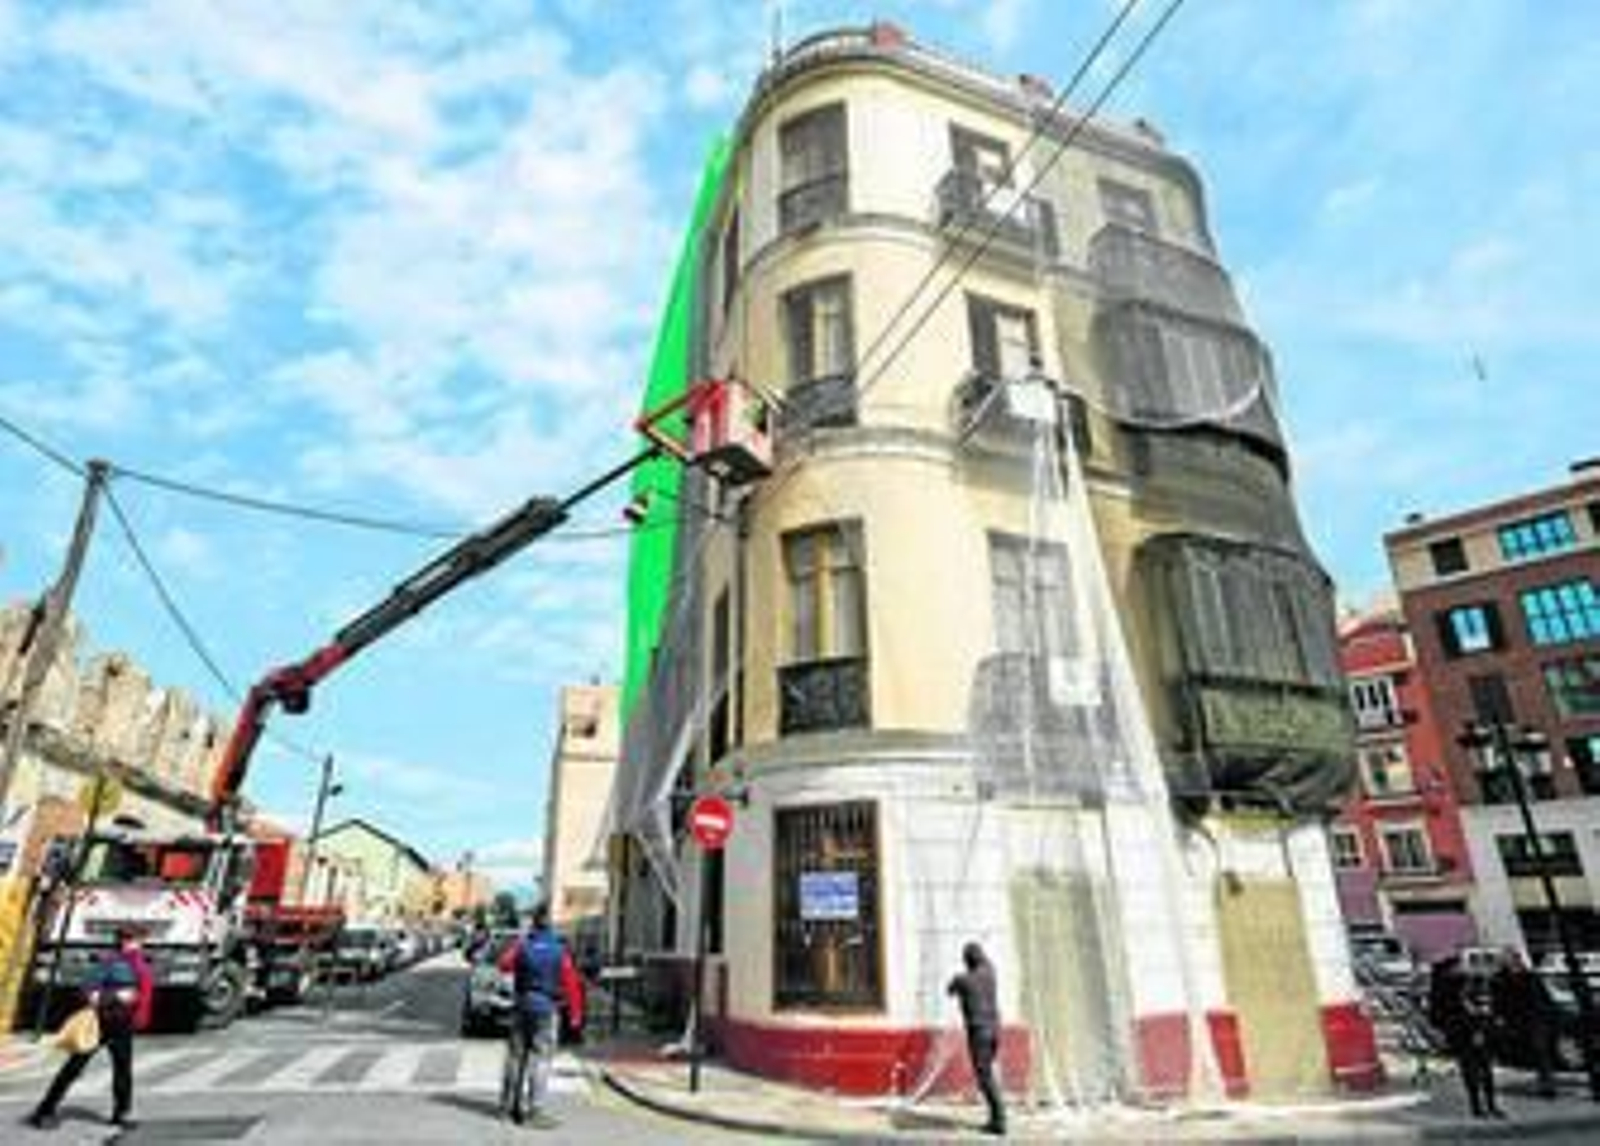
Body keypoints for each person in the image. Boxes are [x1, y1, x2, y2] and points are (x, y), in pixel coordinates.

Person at [28, 927, 154, 1132]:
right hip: (101, 1021)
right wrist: (115, 997)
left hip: (123, 1023)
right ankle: (44, 1111)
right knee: (74, 1067)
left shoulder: (139, 963)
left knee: (122, 1070)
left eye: (137, 940)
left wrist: (133, 1000)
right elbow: (88, 989)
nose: (135, 944)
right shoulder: (111, 962)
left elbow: (141, 992)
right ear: (122, 941)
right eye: (131, 939)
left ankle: (121, 1114)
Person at [497, 904, 566, 1125]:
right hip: (546, 1006)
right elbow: (568, 978)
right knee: (540, 1058)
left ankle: (507, 1108)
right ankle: (533, 1111)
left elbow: (503, 964)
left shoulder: (522, 946)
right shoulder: (559, 949)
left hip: (522, 1005)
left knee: (515, 1057)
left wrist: (522, 943)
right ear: (550, 924)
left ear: (533, 923)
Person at [1429, 954, 1503, 1119]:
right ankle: (1485, 1106)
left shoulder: (1455, 984)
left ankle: (1481, 1106)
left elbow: (1438, 1015)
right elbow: (1476, 1007)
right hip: (1467, 1031)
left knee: (1476, 1069)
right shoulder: (1457, 985)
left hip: (1468, 1031)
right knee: (1479, 1069)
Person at [947, 941, 1005, 1137]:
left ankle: (999, 1120)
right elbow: (984, 963)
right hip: (995, 1031)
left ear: (967, 961)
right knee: (987, 1074)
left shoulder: (964, 980)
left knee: (984, 1077)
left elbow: (950, 990)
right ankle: (996, 1117)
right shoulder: (991, 972)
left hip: (979, 1032)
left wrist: (959, 979)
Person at [1494, 948, 1558, 1098]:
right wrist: (1500, 1017)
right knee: (1532, 1051)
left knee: (1541, 1050)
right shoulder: (1500, 979)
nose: (1507, 962)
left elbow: (1543, 997)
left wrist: (1550, 1014)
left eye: (1509, 959)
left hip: (1535, 1018)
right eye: (1505, 960)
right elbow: (1500, 1001)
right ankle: (1544, 1081)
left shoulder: (1530, 976)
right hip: (1517, 1020)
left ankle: (1547, 1085)